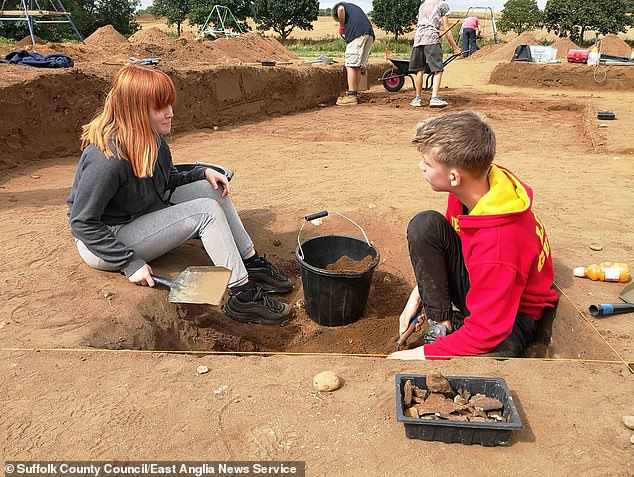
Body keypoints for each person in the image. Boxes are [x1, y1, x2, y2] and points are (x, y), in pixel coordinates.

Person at [67, 64, 293, 326]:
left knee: (211, 189)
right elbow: (82, 222)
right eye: (159, 108)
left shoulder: (151, 138)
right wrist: (129, 263)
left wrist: (201, 173)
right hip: (105, 243)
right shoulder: (107, 157)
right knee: (206, 213)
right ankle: (242, 296)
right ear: (135, 111)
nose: (170, 113)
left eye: (169, 105)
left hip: (138, 217)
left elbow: (166, 182)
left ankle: (251, 262)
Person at [388, 111, 558, 360]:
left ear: (454, 176)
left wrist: (417, 355)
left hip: (512, 317)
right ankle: (443, 324)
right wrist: (421, 293)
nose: (420, 166)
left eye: (427, 162)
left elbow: (487, 332)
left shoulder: (499, 243)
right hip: (487, 282)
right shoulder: (477, 185)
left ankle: (458, 336)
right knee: (425, 225)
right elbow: (451, 244)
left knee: (483, 358)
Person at [409, 0, 461, 108]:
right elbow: (447, 28)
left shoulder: (423, 5)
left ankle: (417, 99)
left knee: (420, 69)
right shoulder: (443, 5)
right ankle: (434, 98)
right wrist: (455, 47)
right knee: (438, 69)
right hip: (432, 39)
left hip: (418, 39)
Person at [332, 1, 375, 106]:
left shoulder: (339, 6)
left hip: (358, 34)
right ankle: (354, 93)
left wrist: (342, 26)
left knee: (350, 65)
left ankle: (351, 96)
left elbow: (340, 9)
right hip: (369, 34)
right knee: (358, 66)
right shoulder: (354, 7)